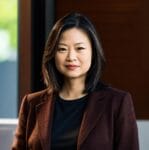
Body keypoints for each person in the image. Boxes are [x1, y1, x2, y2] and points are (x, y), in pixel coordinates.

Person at [12, 12, 139, 150]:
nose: (71, 57)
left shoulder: (117, 102)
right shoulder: (31, 103)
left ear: (93, 51)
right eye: (62, 49)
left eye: (80, 48)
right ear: (52, 54)